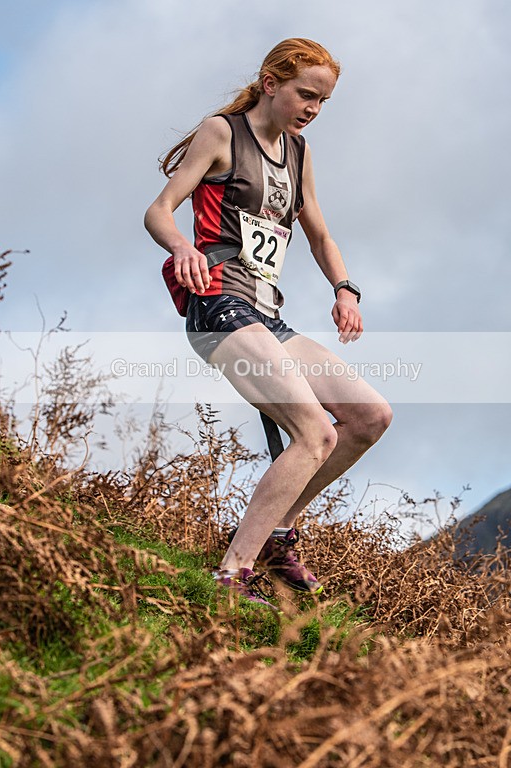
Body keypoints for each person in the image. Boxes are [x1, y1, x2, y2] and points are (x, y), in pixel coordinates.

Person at [144, 38, 392, 607]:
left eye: (324, 101)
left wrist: (345, 288)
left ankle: (280, 534)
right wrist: (183, 247)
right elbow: (159, 210)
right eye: (306, 94)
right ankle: (234, 575)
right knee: (315, 432)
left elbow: (320, 235)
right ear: (271, 81)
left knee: (369, 417)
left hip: (267, 314)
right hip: (219, 305)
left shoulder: (299, 153)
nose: (313, 108)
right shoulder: (221, 133)